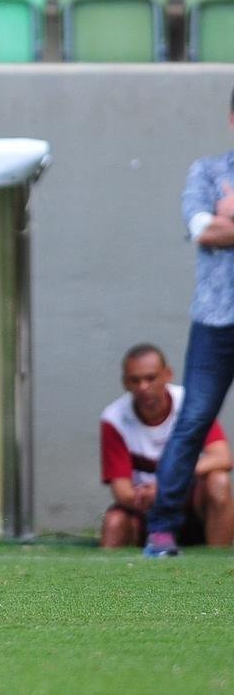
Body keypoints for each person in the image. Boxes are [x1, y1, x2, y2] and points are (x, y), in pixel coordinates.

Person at [146, 88, 234, 557]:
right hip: (215, 321)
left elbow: (220, 230)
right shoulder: (208, 171)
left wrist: (229, 221)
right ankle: (162, 530)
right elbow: (204, 231)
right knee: (194, 421)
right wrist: (215, 226)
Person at [101, 344, 232, 549]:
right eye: (135, 380)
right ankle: (106, 578)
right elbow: (122, 492)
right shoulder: (114, 419)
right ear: (125, 382)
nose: (143, 387)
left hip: (190, 501)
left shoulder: (191, 404)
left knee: (219, 481)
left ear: (167, 375)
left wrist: (167, 486)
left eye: (151, 378)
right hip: (144, 507)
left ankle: (218, 558)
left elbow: (223, 457)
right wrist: (153, 496)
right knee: (114, 522)